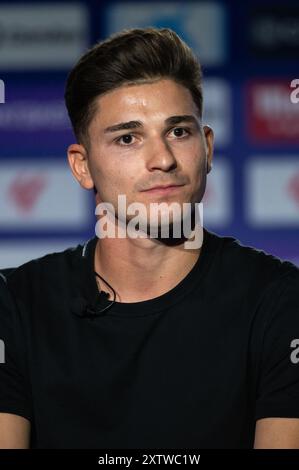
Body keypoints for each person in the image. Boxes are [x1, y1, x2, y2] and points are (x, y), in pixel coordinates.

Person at [0, 27, 299, 449]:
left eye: (178, 131)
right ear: (81, 166)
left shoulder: (282, 302)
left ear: (208, 147)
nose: (162, 159)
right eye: (128, 138)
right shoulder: (14, 303)